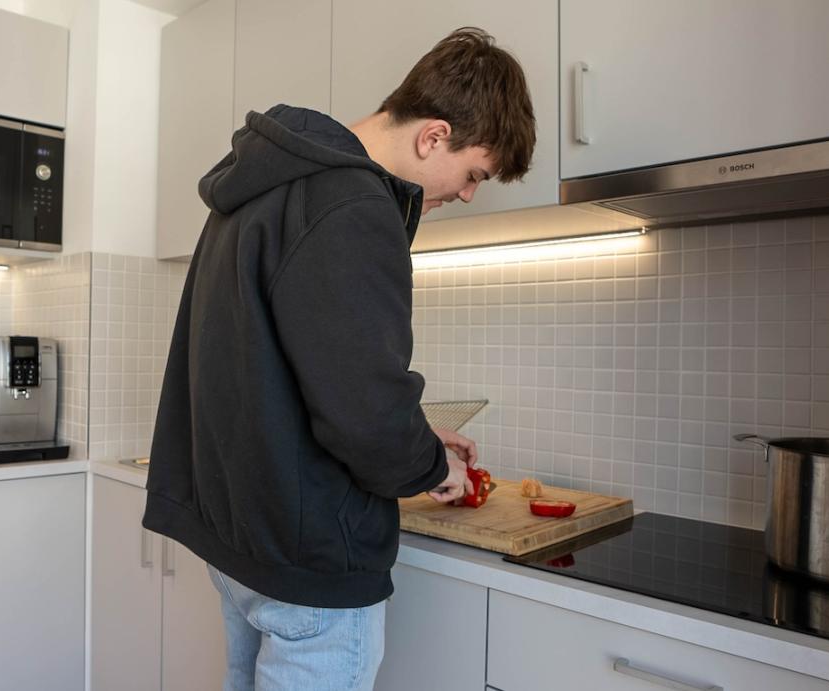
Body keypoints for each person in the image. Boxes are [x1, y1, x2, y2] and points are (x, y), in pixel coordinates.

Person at [142, 27, 536, 691]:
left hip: (243, 543)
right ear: (434, 135)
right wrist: (426, 462)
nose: (468, 193)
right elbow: (365, 415)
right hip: (311, 562)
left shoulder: (259, 190)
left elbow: (284, 378)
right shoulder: (356, 206)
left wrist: (413, 436)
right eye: (473, 173)